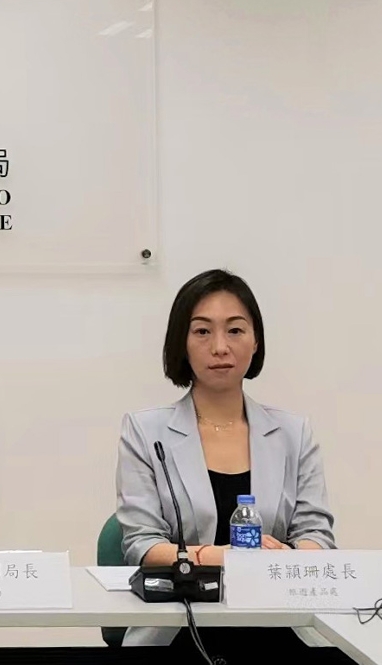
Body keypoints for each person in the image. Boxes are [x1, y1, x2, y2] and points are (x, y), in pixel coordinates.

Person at [115, 268, 335, 652]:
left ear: (255, 341)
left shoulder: (293, 433)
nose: (220, 347)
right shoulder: (146, 432)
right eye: (202, 331)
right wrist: (230, 557)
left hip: (278, 624)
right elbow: (142, 545)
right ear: (181, 342)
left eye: (235, 330)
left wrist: (285, 558)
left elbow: (317, 536)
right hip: (180, 626)